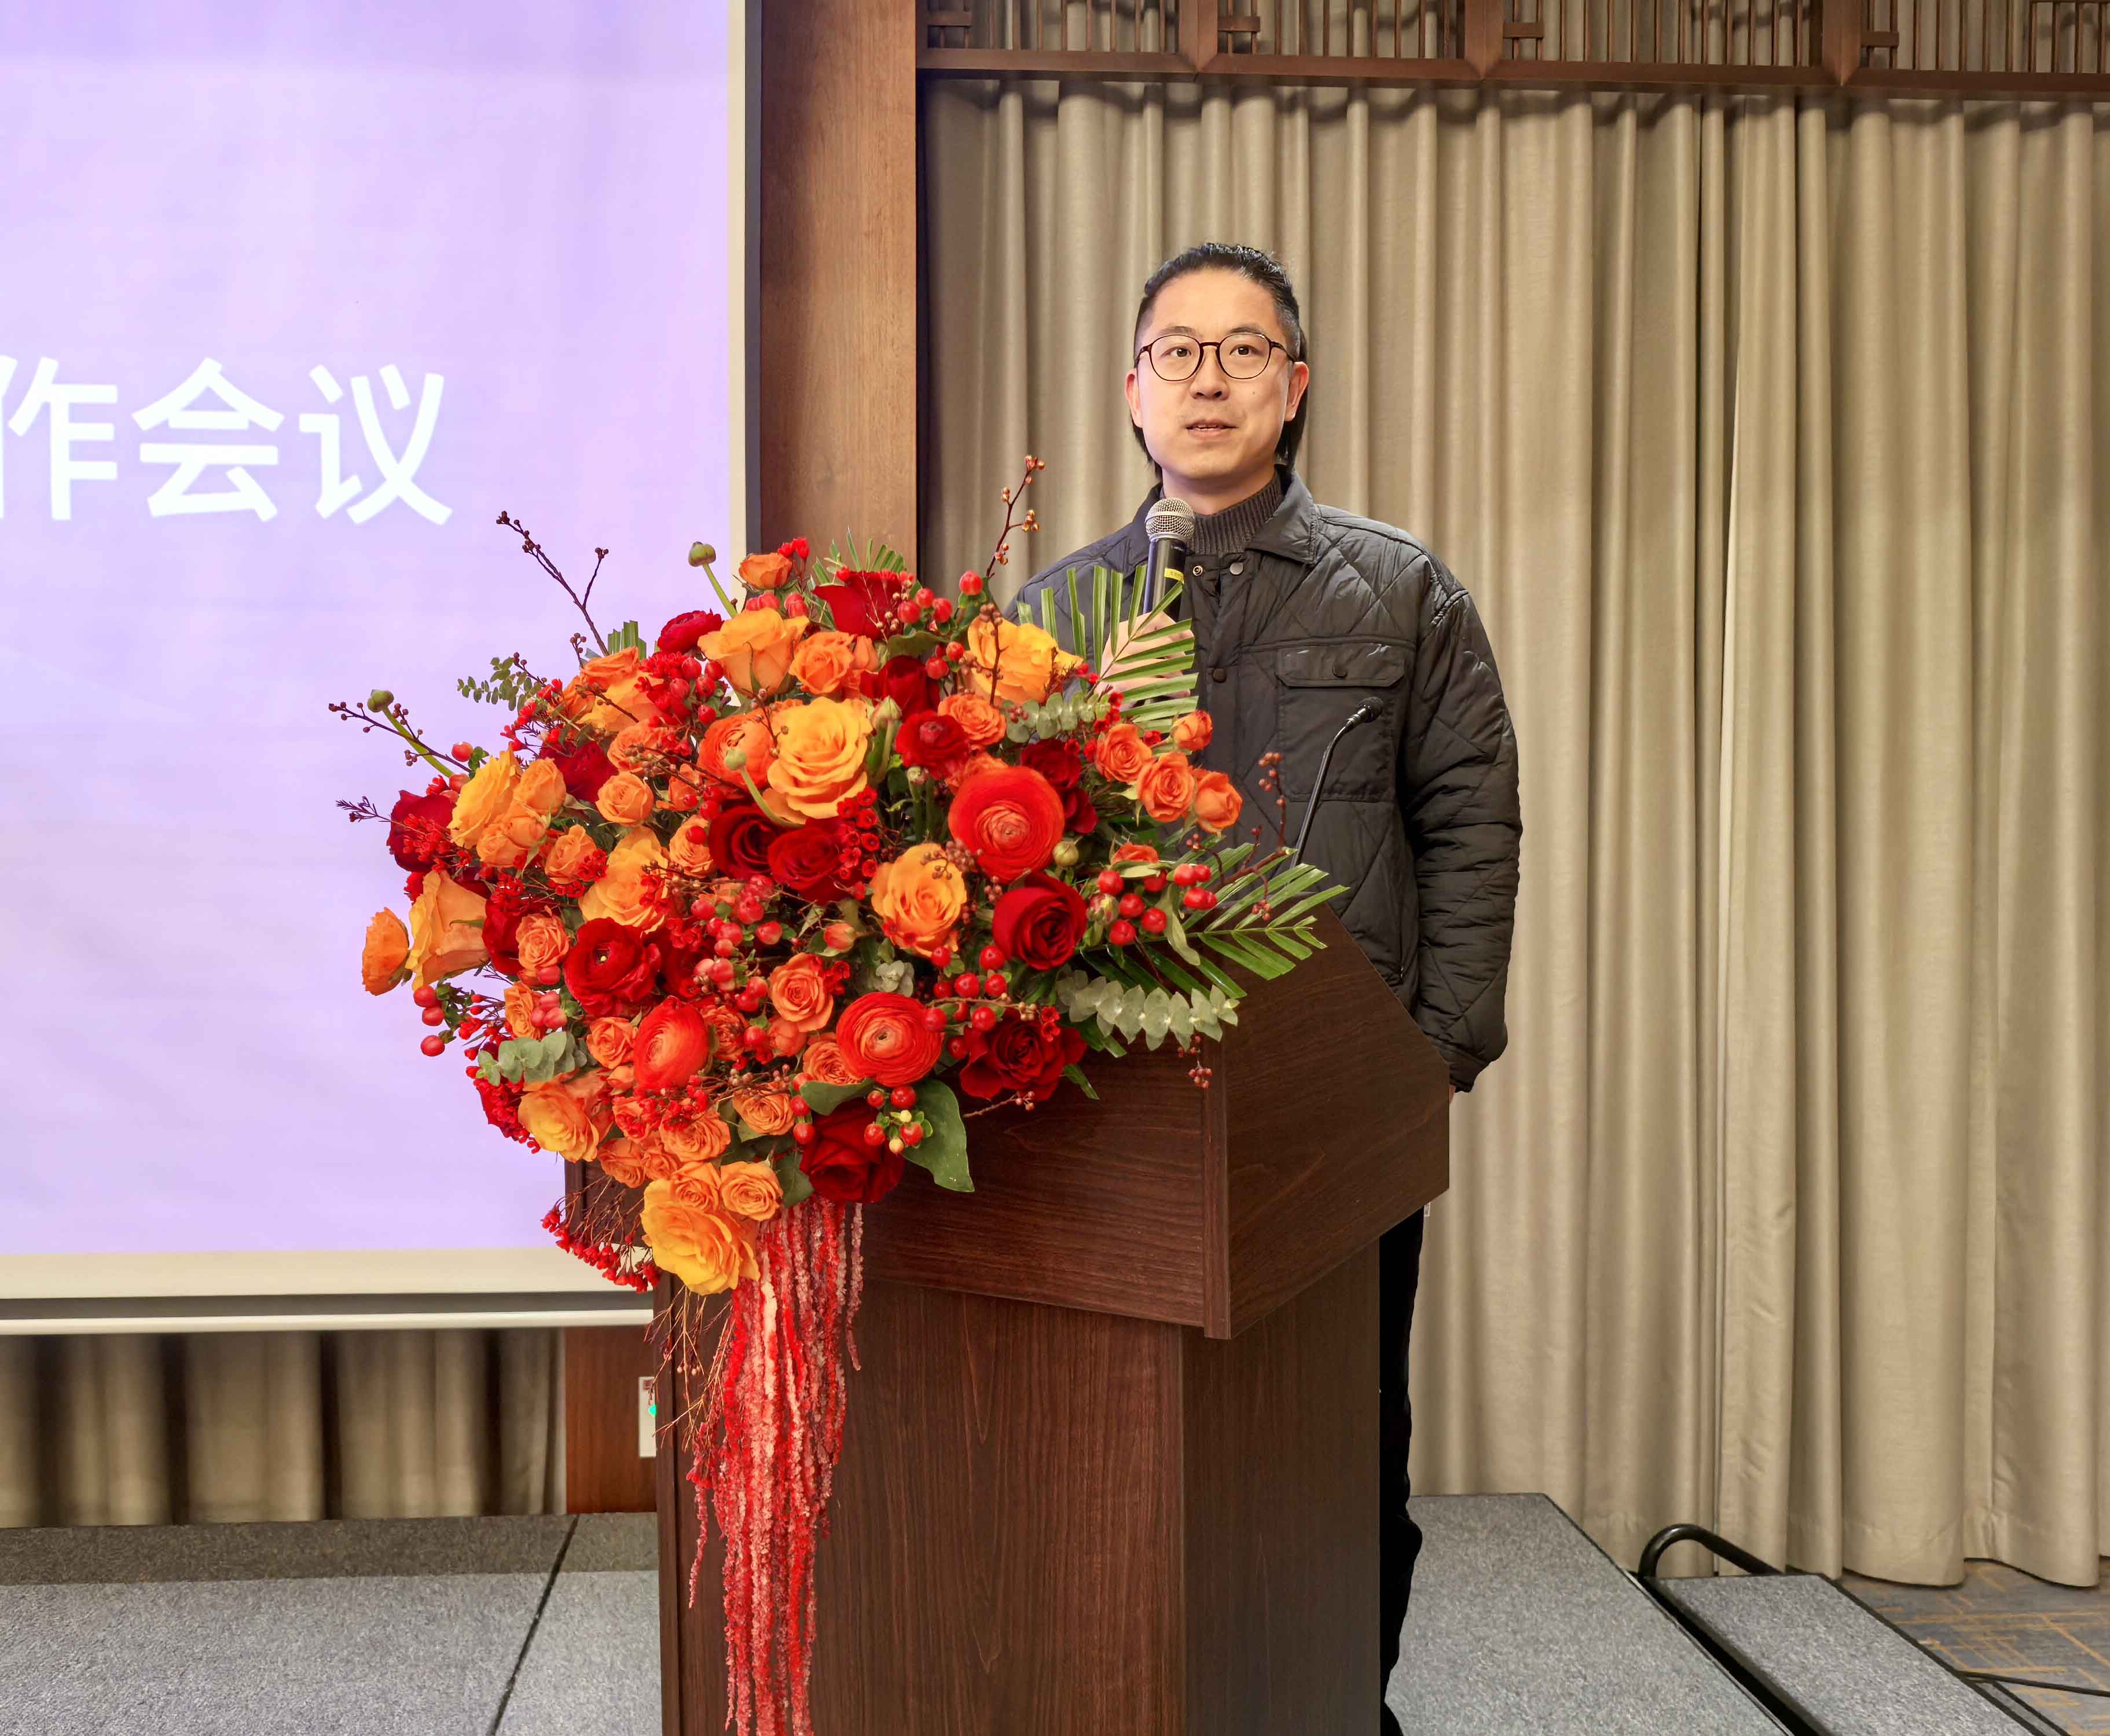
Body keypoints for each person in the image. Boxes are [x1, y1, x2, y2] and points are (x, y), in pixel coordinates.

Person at [1011, 242, 1522, 1735]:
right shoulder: (1056, 611)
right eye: (1178, 351)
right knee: (1119, 1444)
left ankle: (1340, 1708)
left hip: (1336, 1109)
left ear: (1295, 388)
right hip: (1111, 1111)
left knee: (1341, 1444)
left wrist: (1429, 1061)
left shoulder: (1401, 591)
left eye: (1245, 352)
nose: (1209, 379)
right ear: (1131, 392)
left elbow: (1471, 826)